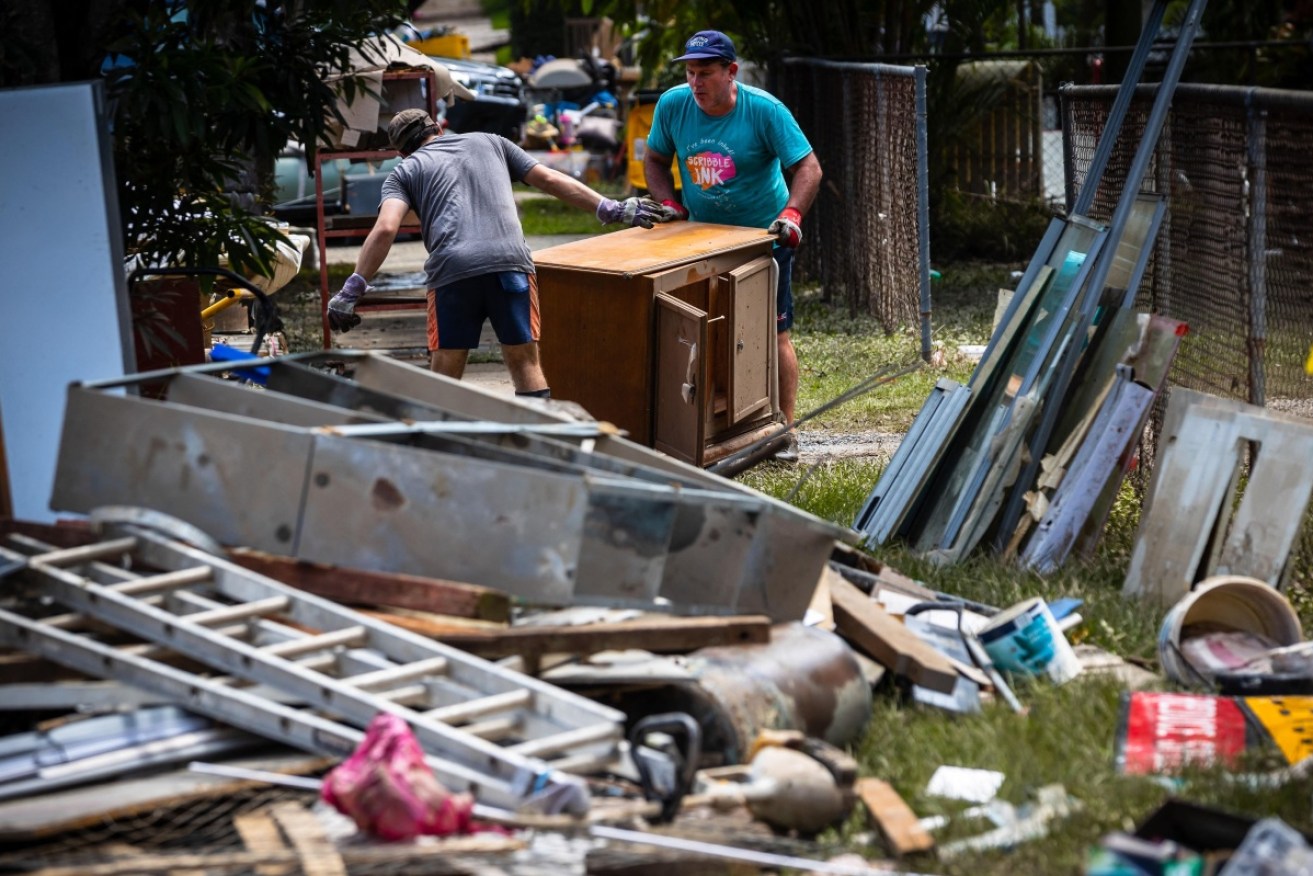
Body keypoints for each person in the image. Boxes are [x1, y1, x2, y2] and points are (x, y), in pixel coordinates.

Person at [328, 108, 670, 398]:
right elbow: (550, 179)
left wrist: (352, 289)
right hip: (510, 263)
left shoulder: (404, 171)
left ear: (401, 151)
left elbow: (386, 228)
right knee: (524, 361)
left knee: (446, 365)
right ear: (438, 127)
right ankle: (539, 448)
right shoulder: (491, 142)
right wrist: (610, 208)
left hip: (453, 271)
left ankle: (439, 449)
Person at [642, 29, 822, 461]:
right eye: (690, 73)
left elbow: (808, 168)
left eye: (705, 72)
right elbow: (653, 159)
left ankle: (784, 431)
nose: (696, 83)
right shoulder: (673, 105)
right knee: (703, 332)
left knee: (772, 333)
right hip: (700, 241)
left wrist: (792, 216)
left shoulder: (764, 111)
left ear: (731, 72)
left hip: (762, 240)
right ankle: (710, 429)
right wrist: (669, 203)